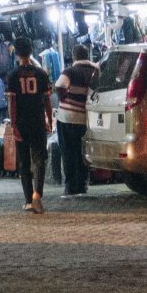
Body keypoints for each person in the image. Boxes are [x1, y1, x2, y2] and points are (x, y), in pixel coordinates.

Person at [5, 36, 53, 213]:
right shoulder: (41, 74)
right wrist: (49, 119)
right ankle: (37, 195)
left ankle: (28, 200)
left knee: (24, 161)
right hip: (38, 121)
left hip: (21, 123)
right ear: (31, 51)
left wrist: (13, 124)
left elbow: (12, 104)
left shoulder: (12, 75)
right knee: (40, 159)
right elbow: (47, 100)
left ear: (16, 53)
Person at [52, 44, 97, 197]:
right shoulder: (96, 71)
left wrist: (65, 99)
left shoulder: (69, 71)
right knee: (82, 153)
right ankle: (83, 185)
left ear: (73, 56)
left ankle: (71, 187)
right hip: (87, 119)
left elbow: (59, 86)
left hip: (68, 118)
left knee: (68, 153)